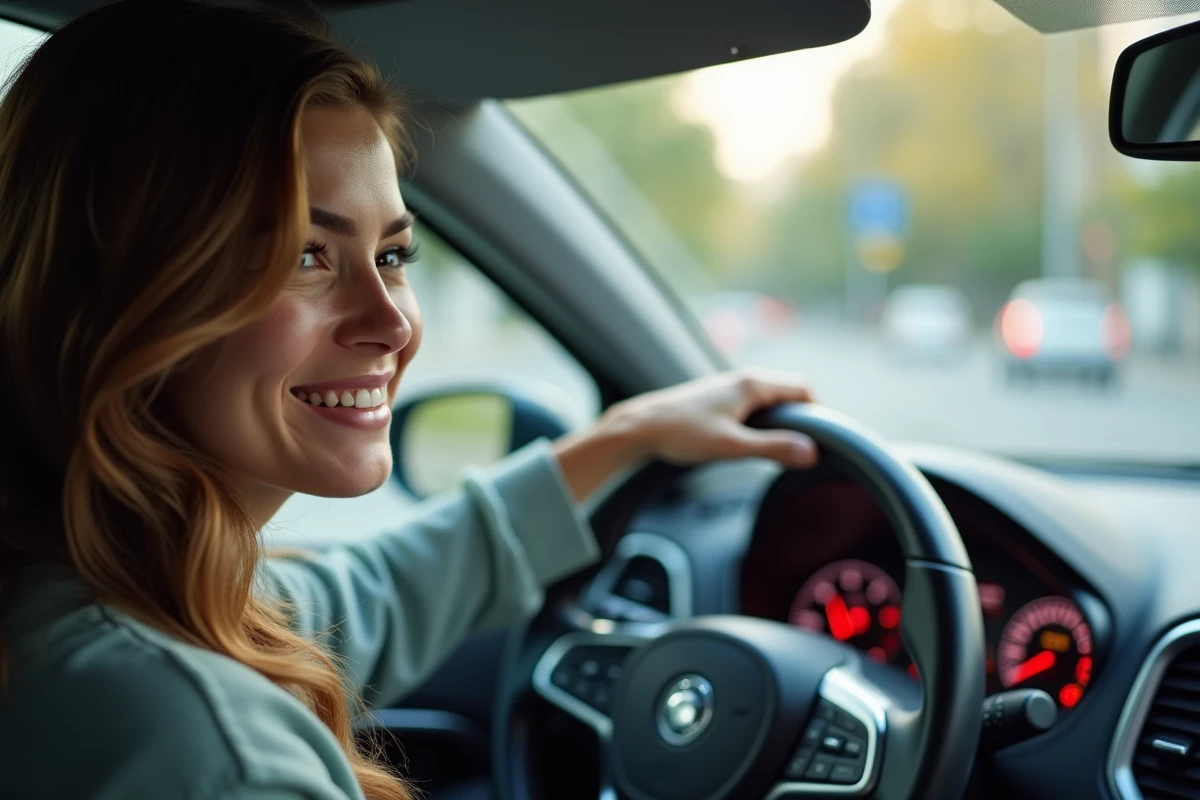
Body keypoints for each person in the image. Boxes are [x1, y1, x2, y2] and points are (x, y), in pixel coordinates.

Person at [0, 2, 819, 798]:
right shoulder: (204, 744)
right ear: (111, 297)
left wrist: (624, 437)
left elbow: (371, 597)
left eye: (392, 255)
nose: (391, 324)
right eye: (307, 255)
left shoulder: (101, 590)